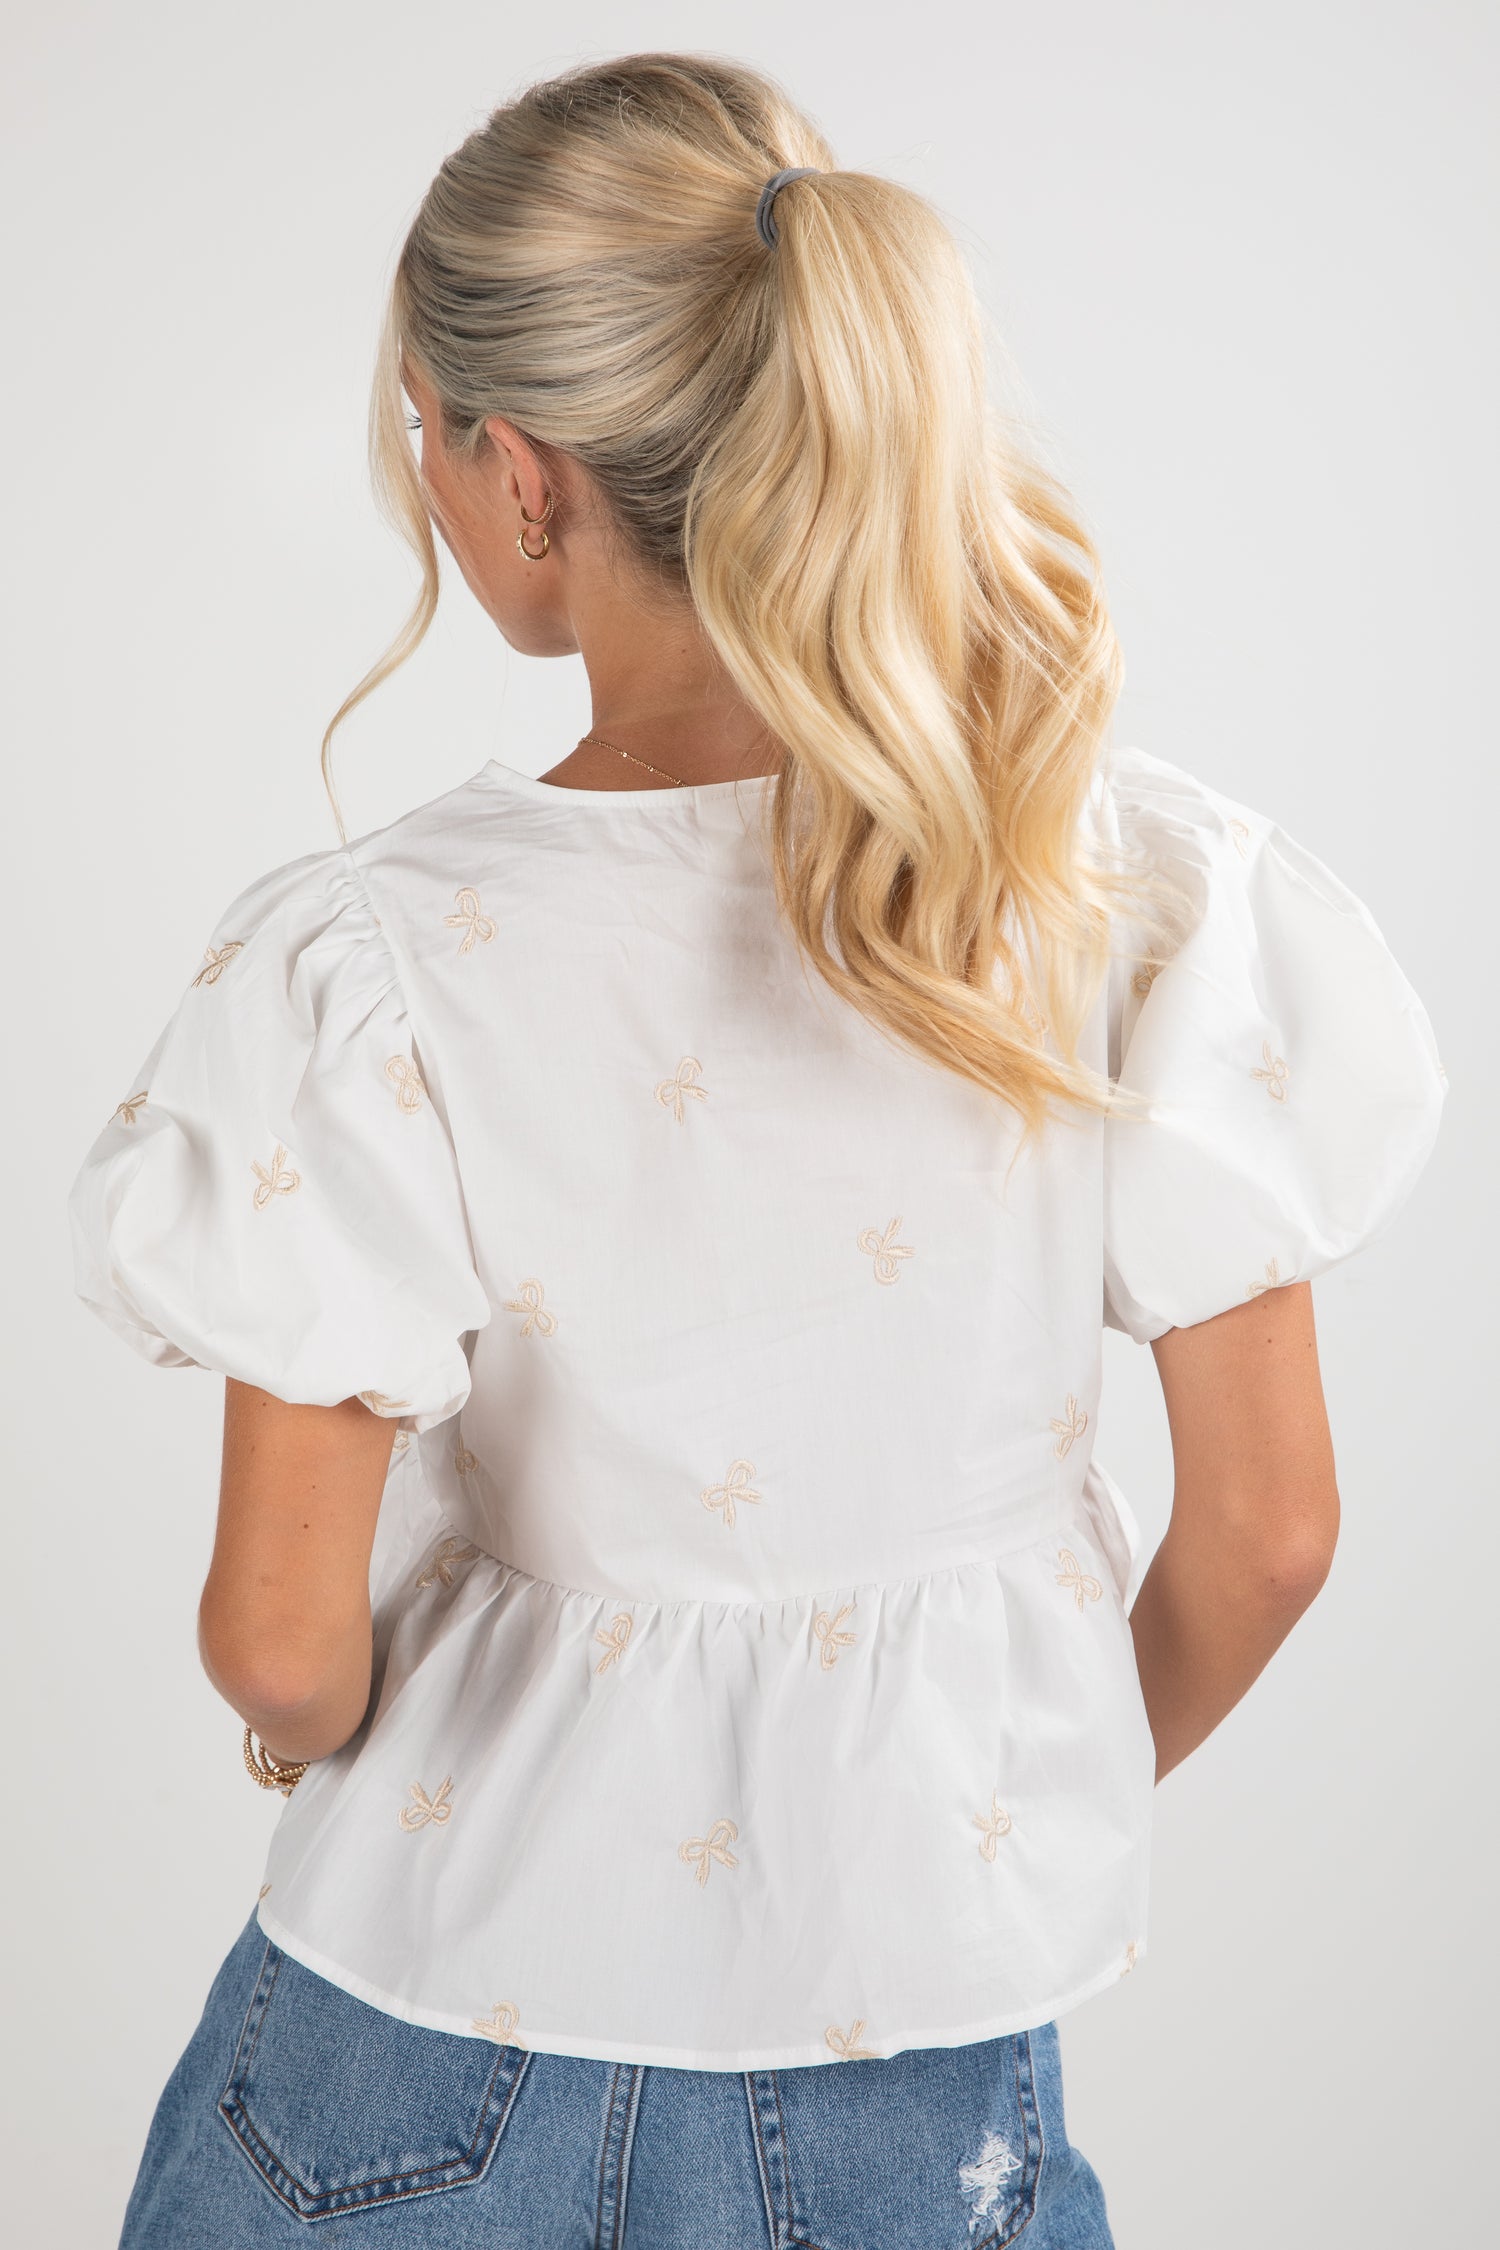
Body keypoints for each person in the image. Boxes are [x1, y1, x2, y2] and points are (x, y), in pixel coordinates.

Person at [66, 50, 1445, 2250]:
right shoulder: (1117, 890)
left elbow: (278, 1642)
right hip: (919, 2063)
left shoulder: (368, 962)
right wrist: (982, 1816)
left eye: (425, 437)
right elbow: (1271, 1531)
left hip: (408, 2039)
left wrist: (320, 1742)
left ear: (522, 480)